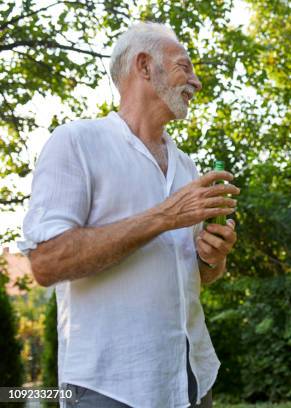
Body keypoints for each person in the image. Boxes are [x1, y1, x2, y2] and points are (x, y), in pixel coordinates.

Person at [18, 22, 239, 408]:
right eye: (183, 66)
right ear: (143, 66)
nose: (196, 81)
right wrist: (164, 217)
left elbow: (195, 277)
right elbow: (46, 262)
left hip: (189, 377)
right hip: (108, 385)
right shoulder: (77, 142)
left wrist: (212, 257)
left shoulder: (187, 167)